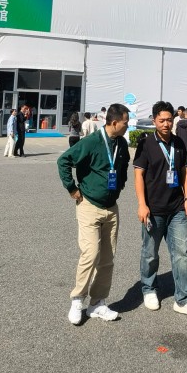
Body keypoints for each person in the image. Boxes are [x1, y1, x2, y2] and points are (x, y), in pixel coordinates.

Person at [57, 103, 131, 325]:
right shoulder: (91, 142)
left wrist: (120, 184)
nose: (127, 126)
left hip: (111, 208)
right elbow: (63, 161)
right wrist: (72, 188)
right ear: (114, 122)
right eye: (125, 123)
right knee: (90, 254)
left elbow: (124, 166)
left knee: (107, 259)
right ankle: (77, 300)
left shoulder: (121, 143)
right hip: (89, 205)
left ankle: (97, 303)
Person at [134, 101, 187, 317]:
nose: (166, 124)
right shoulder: (146, 144)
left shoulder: (178, 142)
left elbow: (184, 172)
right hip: (153, 209)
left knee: (182, 253)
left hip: (177, 209)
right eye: (161, 120)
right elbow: (138, 175)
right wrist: (142, 204)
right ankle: (149, 289)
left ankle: (183, 299)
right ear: (154, 120)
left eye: (169, 120)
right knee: (150, 253)